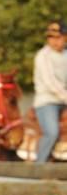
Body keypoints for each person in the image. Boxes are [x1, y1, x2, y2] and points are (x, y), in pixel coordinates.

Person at [33, 21, 67, 162]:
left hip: (64, 99)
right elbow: (50, 82)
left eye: (58, 37)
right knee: (52, 132)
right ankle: (39, 166)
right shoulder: (43, 56)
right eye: (50, 37)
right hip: (47, 101)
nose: (54, 41)